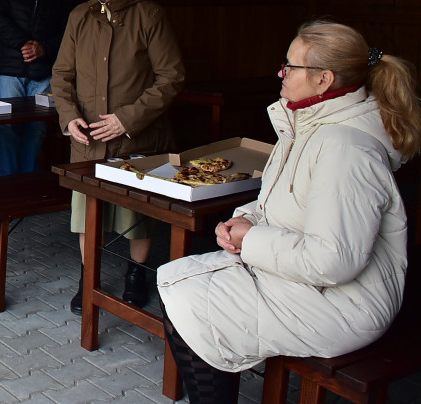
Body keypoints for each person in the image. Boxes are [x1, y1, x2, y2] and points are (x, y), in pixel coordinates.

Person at [156, 21, 418, 404]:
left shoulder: (346, 148)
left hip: (346, 302)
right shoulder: (305, 124)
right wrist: (245, 220)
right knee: (176, 282)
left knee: (190, 302)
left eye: (290, 65)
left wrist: (252, 240)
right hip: (308, 281)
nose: (281, 72)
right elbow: (276, 201)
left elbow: (334, 260)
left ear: (323, 79)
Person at [51, 0, 184, 315]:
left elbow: (171, 77)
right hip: (88, 139)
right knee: (86, 213)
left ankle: (136, 275)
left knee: (136, 217)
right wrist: (68, 116)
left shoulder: (150, 15)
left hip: (137, 138)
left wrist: (127, 119)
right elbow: (62, 75)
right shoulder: (79, 16)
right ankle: (87, 277)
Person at [0, 0, 73, 176]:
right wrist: (23, 44)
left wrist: (43, 48)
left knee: (36, 129)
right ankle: (6, 183)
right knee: (6, 125)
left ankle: (28, 181)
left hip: (43, 71)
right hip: (10, 69)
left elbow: (67, 33)